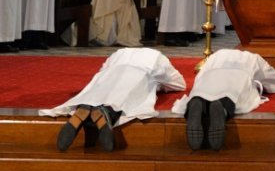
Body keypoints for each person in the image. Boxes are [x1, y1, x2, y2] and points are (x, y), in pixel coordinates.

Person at [41, 46, 186, 152]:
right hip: (141, 73)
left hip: (110, 72)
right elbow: (179, 84)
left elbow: (102, 70)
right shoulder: (157, 58)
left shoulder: (118, 53)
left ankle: (85, 107)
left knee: (99, 89)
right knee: (127, 97)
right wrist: (160, 86)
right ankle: (106, 111)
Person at [173, 48, 275, 150]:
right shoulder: (254, 58)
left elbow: (199, 76)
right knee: (233, 98)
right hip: (238, 78)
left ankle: (197, 102)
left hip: (209, 78)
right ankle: (223, 108)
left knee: (202, 92)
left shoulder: (216, 56)